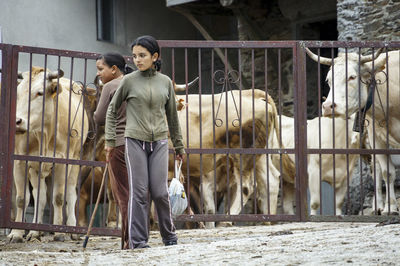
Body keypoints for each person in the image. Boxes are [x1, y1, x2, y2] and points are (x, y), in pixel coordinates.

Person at [105, 35, 185, 249]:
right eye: (134, 56)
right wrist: (110, 140)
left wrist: (179, 146)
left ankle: (169, 236)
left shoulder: (165, 82)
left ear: (155, 56)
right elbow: (112, 110)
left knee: (159, 192)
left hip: (159, 142)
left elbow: (172, 117)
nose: (137, 60)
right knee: (139, 193)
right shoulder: (129, 81)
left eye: (142, 56)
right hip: (134, 142)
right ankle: (138, 241)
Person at [93, 52, 133, 249]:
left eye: (101, 69)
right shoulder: (135, 82)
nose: (99, 73)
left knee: (123, 194)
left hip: (118, 144)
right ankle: (139, 236)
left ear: (114, 69)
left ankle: (128, 239)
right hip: (139, 144)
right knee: (139, 192)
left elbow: (99, 118)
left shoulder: (110, 86)